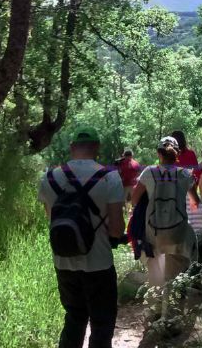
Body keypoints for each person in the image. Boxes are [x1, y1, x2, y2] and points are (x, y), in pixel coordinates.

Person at [38, 127, 125, 348]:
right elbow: (116, 229)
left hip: (64, 261)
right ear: (97, 147)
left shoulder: (49, 178)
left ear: (71, 148)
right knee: (102, 323)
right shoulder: (110, 177)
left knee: (74, 318)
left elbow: (51, 218)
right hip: (99, 263)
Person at [131, 136, 197, 319]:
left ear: (158, 153)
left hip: (154, 232)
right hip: (178, 231)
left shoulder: (148, 172)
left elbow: (134, 200)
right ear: (177, 154)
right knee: (175, 274)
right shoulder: (185, 174)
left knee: (155, 274)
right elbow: (195, 201)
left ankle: (154, 312)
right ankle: (172, 316)